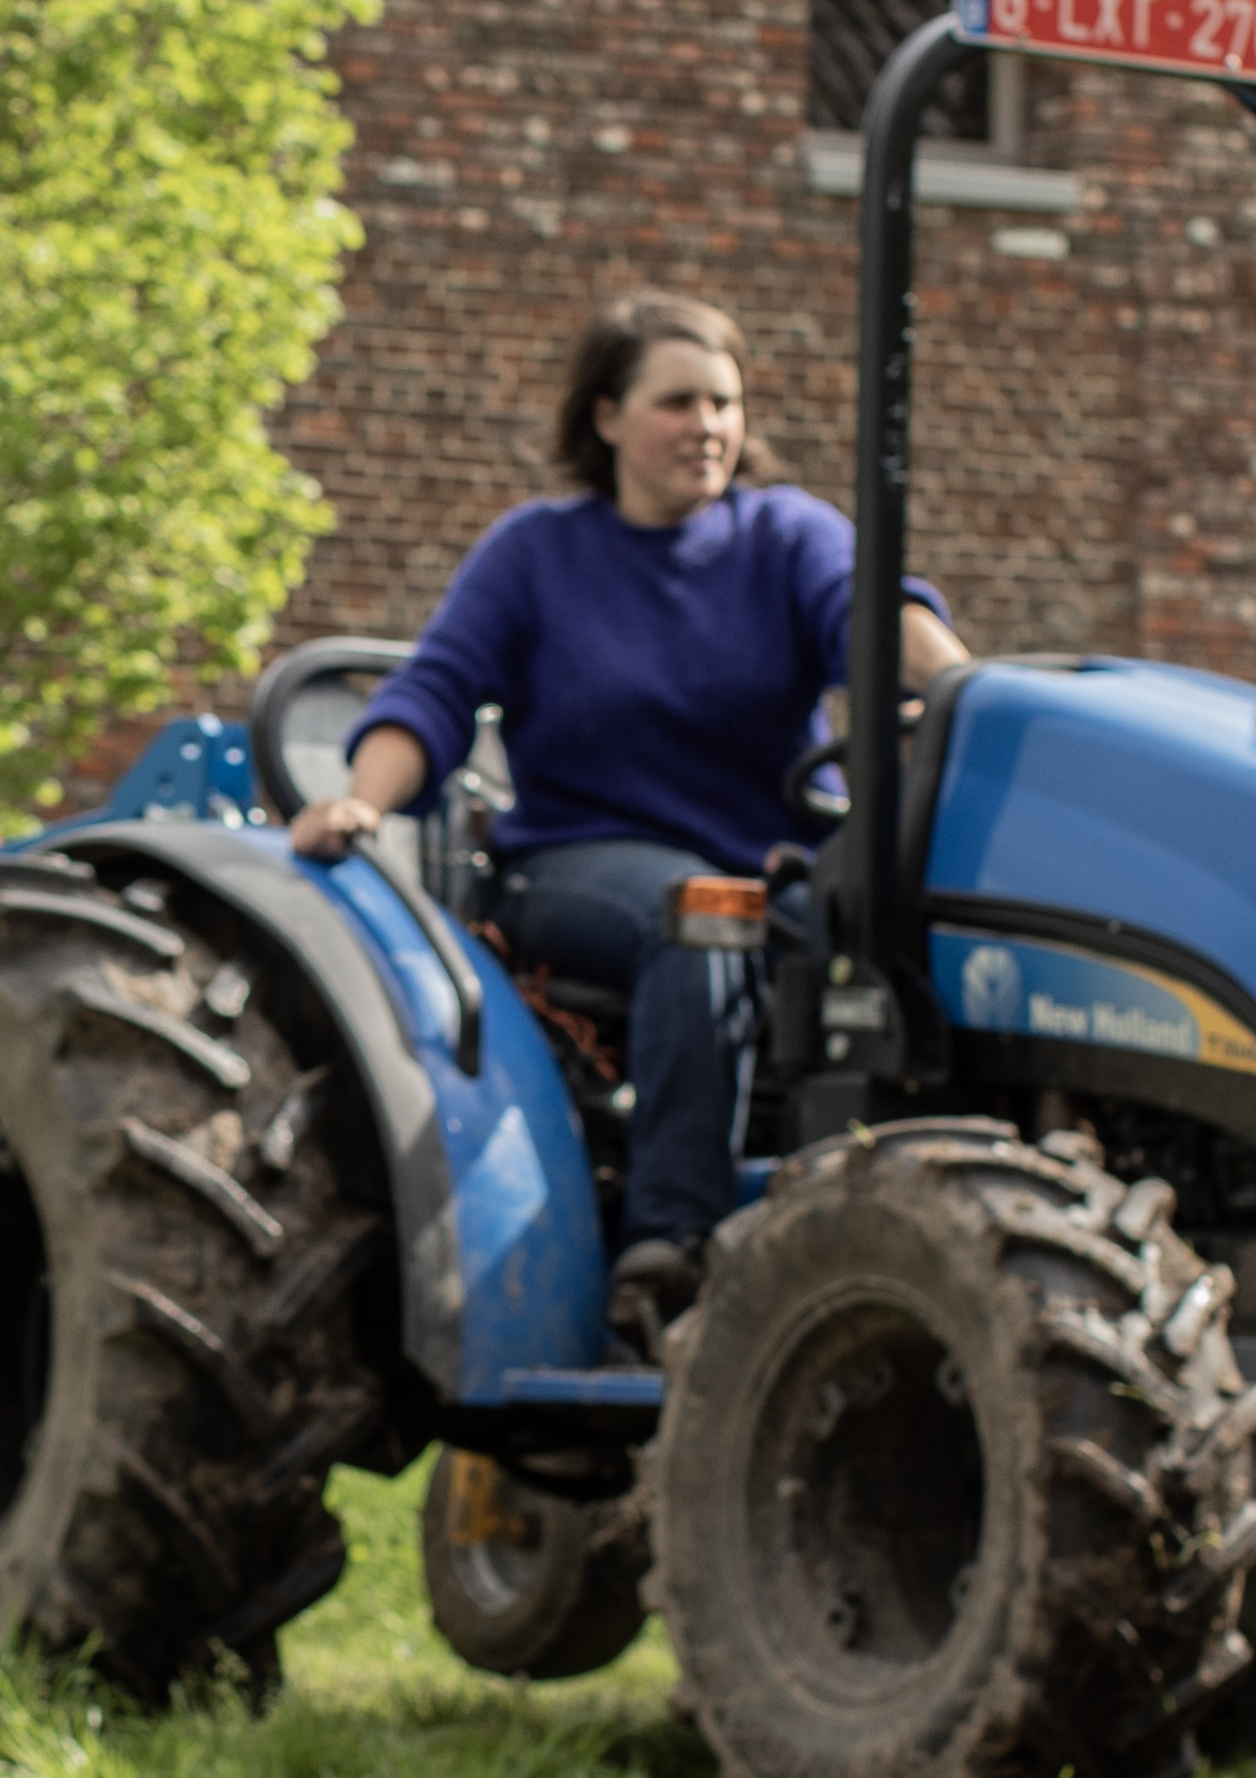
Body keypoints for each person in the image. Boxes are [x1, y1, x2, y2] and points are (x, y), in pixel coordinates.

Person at [293, 290, 964, 1325]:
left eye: (724, 403)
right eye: (676, 401)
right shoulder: (537, 554)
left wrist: (966, 693)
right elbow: (432, 694)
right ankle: (671, 1248)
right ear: (605, 416)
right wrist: (358, 802)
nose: (706, 426)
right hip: (575, 867)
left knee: (915, 927)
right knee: (703, 911)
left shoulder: (785, 536)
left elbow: (876, 618)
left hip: (772, 865)